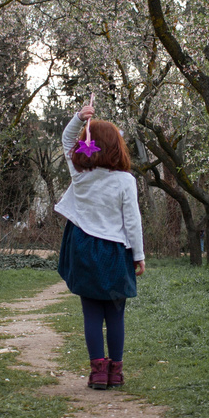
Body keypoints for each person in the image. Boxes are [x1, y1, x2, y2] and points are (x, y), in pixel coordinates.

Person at [55, 102, 145, 390]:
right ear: (117, 147)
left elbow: (66, 141)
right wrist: (138, 255)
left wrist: (79, 118)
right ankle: (115, 372)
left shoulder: (80, 176)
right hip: (115, 253)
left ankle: (97, 373)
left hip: (83, 249)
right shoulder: (125, 181)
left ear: (87, 146)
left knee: (92, 314)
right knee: (115, 314)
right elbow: (132, 221)